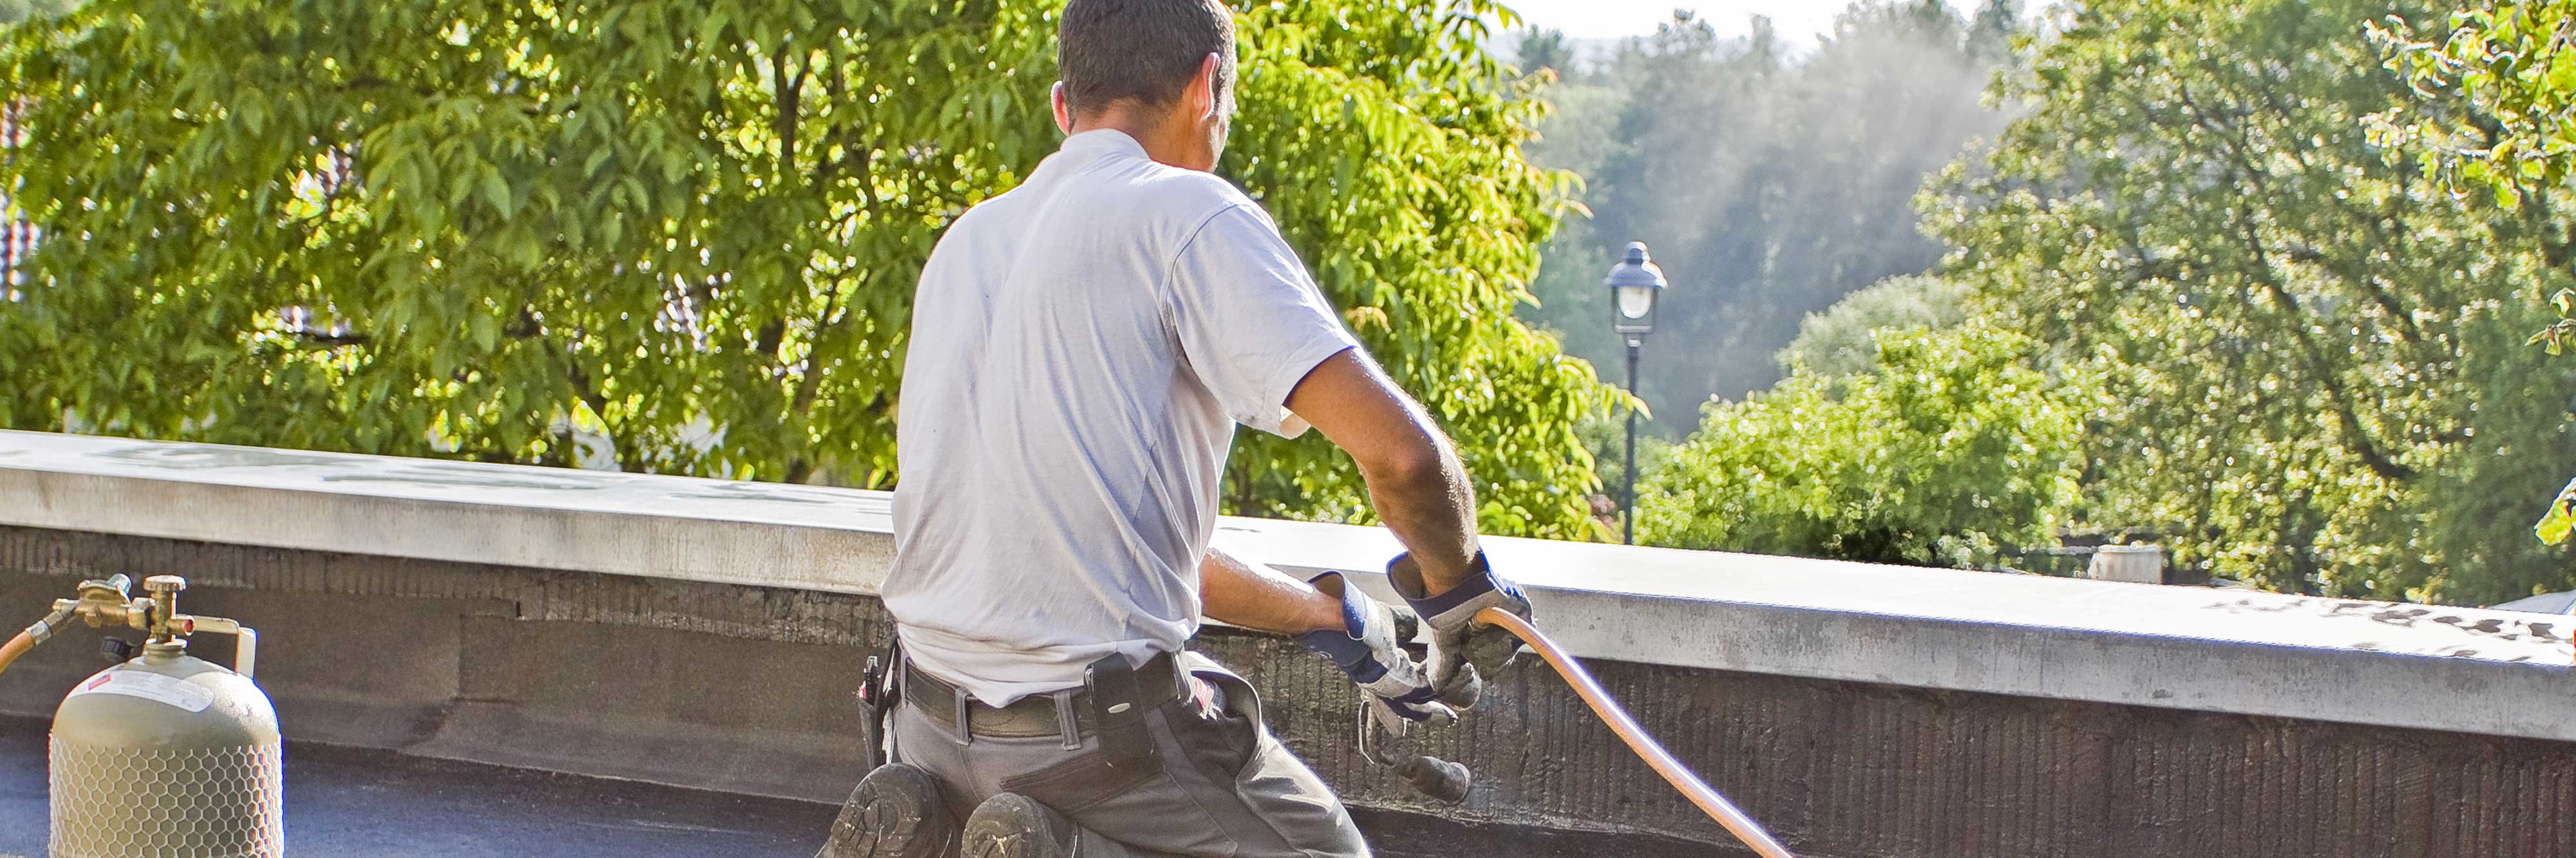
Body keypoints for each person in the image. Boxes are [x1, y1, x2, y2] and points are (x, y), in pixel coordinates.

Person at [819, 1, 1534, 855]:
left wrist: (1333, 619)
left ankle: (961, 832)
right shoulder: (1188, 215)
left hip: (925, 720)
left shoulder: (967, 244)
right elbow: (1407, 460)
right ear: (1207, 87)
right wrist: (1459, 596)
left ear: (1064, 107)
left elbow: (1121, 559)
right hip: (1099, 745)